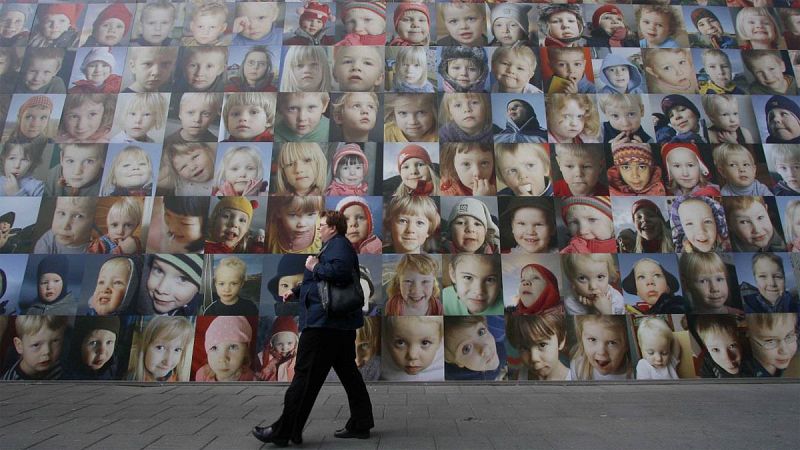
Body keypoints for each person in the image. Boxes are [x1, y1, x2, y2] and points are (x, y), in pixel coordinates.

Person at [253, 210, 374, 445]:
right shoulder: (332, 247)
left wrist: (315, 265)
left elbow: (338, 274)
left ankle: (283, 431)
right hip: (336, 325)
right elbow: (321, 283)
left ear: (334, 227)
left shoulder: (338, 245)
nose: (319, 228)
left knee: (304, 376)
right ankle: (361, 423)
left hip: (324, 325)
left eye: (322, 225)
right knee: (348, 375)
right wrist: (296, 291)